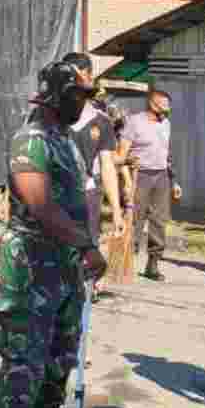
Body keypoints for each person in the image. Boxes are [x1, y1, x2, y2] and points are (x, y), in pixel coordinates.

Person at [0, 60, 107, 408]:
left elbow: (79, 199)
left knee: (62, 351)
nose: (82, 104)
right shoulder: (30, 139)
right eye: (76, 95)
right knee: (25, 353)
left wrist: (86, 243)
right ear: (55, 95)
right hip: (31, 261)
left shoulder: (67, 140)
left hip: (65, 263)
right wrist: (85, 244)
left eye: (86, 96)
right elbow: (40, 204)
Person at [61, 53, 124, 302]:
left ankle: (84, 294)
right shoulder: (46, 115)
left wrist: (116, 210)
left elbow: (107, 166)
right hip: (52, 196)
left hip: (87, 196)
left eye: (75, 75)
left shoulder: (101, 122)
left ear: (88, 77)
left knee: (86, 248)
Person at [118, 88, 181, 283]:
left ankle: (153, 264)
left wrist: (174, 181)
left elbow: (167, 154)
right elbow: (121, 154)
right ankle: (124, 260)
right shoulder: (134, 122)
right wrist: (127, 177)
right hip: (140, 175)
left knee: (159, 221)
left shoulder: (166, 124)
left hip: (161, 176)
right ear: (153, 104)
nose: (168, 110)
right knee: (134, 219)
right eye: (165, 106)